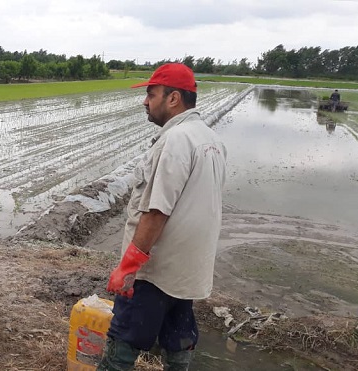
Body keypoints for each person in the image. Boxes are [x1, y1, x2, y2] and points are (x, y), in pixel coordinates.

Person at [97, 63, 227, 371]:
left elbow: (156, 212)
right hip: (188, 270)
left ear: (173, 99)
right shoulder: (211, 140)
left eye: (151, 94)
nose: (145, 101)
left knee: (123, 343)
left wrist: (128, 268)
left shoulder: (175, 140)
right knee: (177, 340)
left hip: (155, 271)